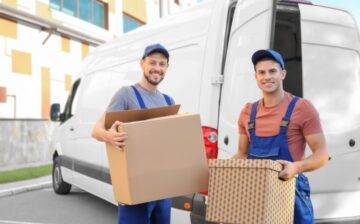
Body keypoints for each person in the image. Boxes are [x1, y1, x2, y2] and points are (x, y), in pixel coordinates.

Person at [232, 49, 329, 224]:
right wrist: (219, 172)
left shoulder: (303, 108)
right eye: (261, 72)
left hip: (291, 193)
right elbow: (241, 154)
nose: (266, 77)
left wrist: (295, 168)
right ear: (255, 77)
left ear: (283, 74)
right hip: (255, 196)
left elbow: (322, 155)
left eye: (272, 71)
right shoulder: (247, 112)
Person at [91, 43, 175, 224]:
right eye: (152, 63)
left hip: (162, 188)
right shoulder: (126, 94)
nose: (157, 68)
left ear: (167, 68)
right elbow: (96, 130)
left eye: (162, 64)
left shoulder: (169, 101)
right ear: (142, 63)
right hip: (136, 186)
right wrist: (110, 136)